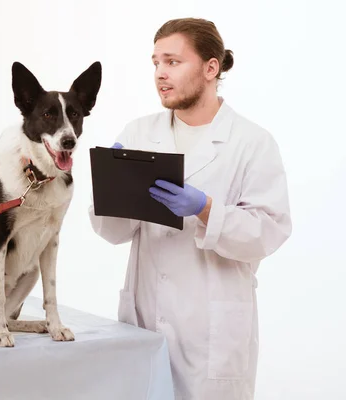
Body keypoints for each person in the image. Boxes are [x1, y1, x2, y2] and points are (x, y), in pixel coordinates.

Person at [89, 18, 292, 400]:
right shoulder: (139, 133)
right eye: (155, 63)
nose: (160, 74)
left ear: (211, 68)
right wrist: (112, 190)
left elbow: (269, 233)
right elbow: (111, 233)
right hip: (145, 325)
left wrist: (205, 209)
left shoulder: (252, 142)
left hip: (212, 337)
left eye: (173, 61)